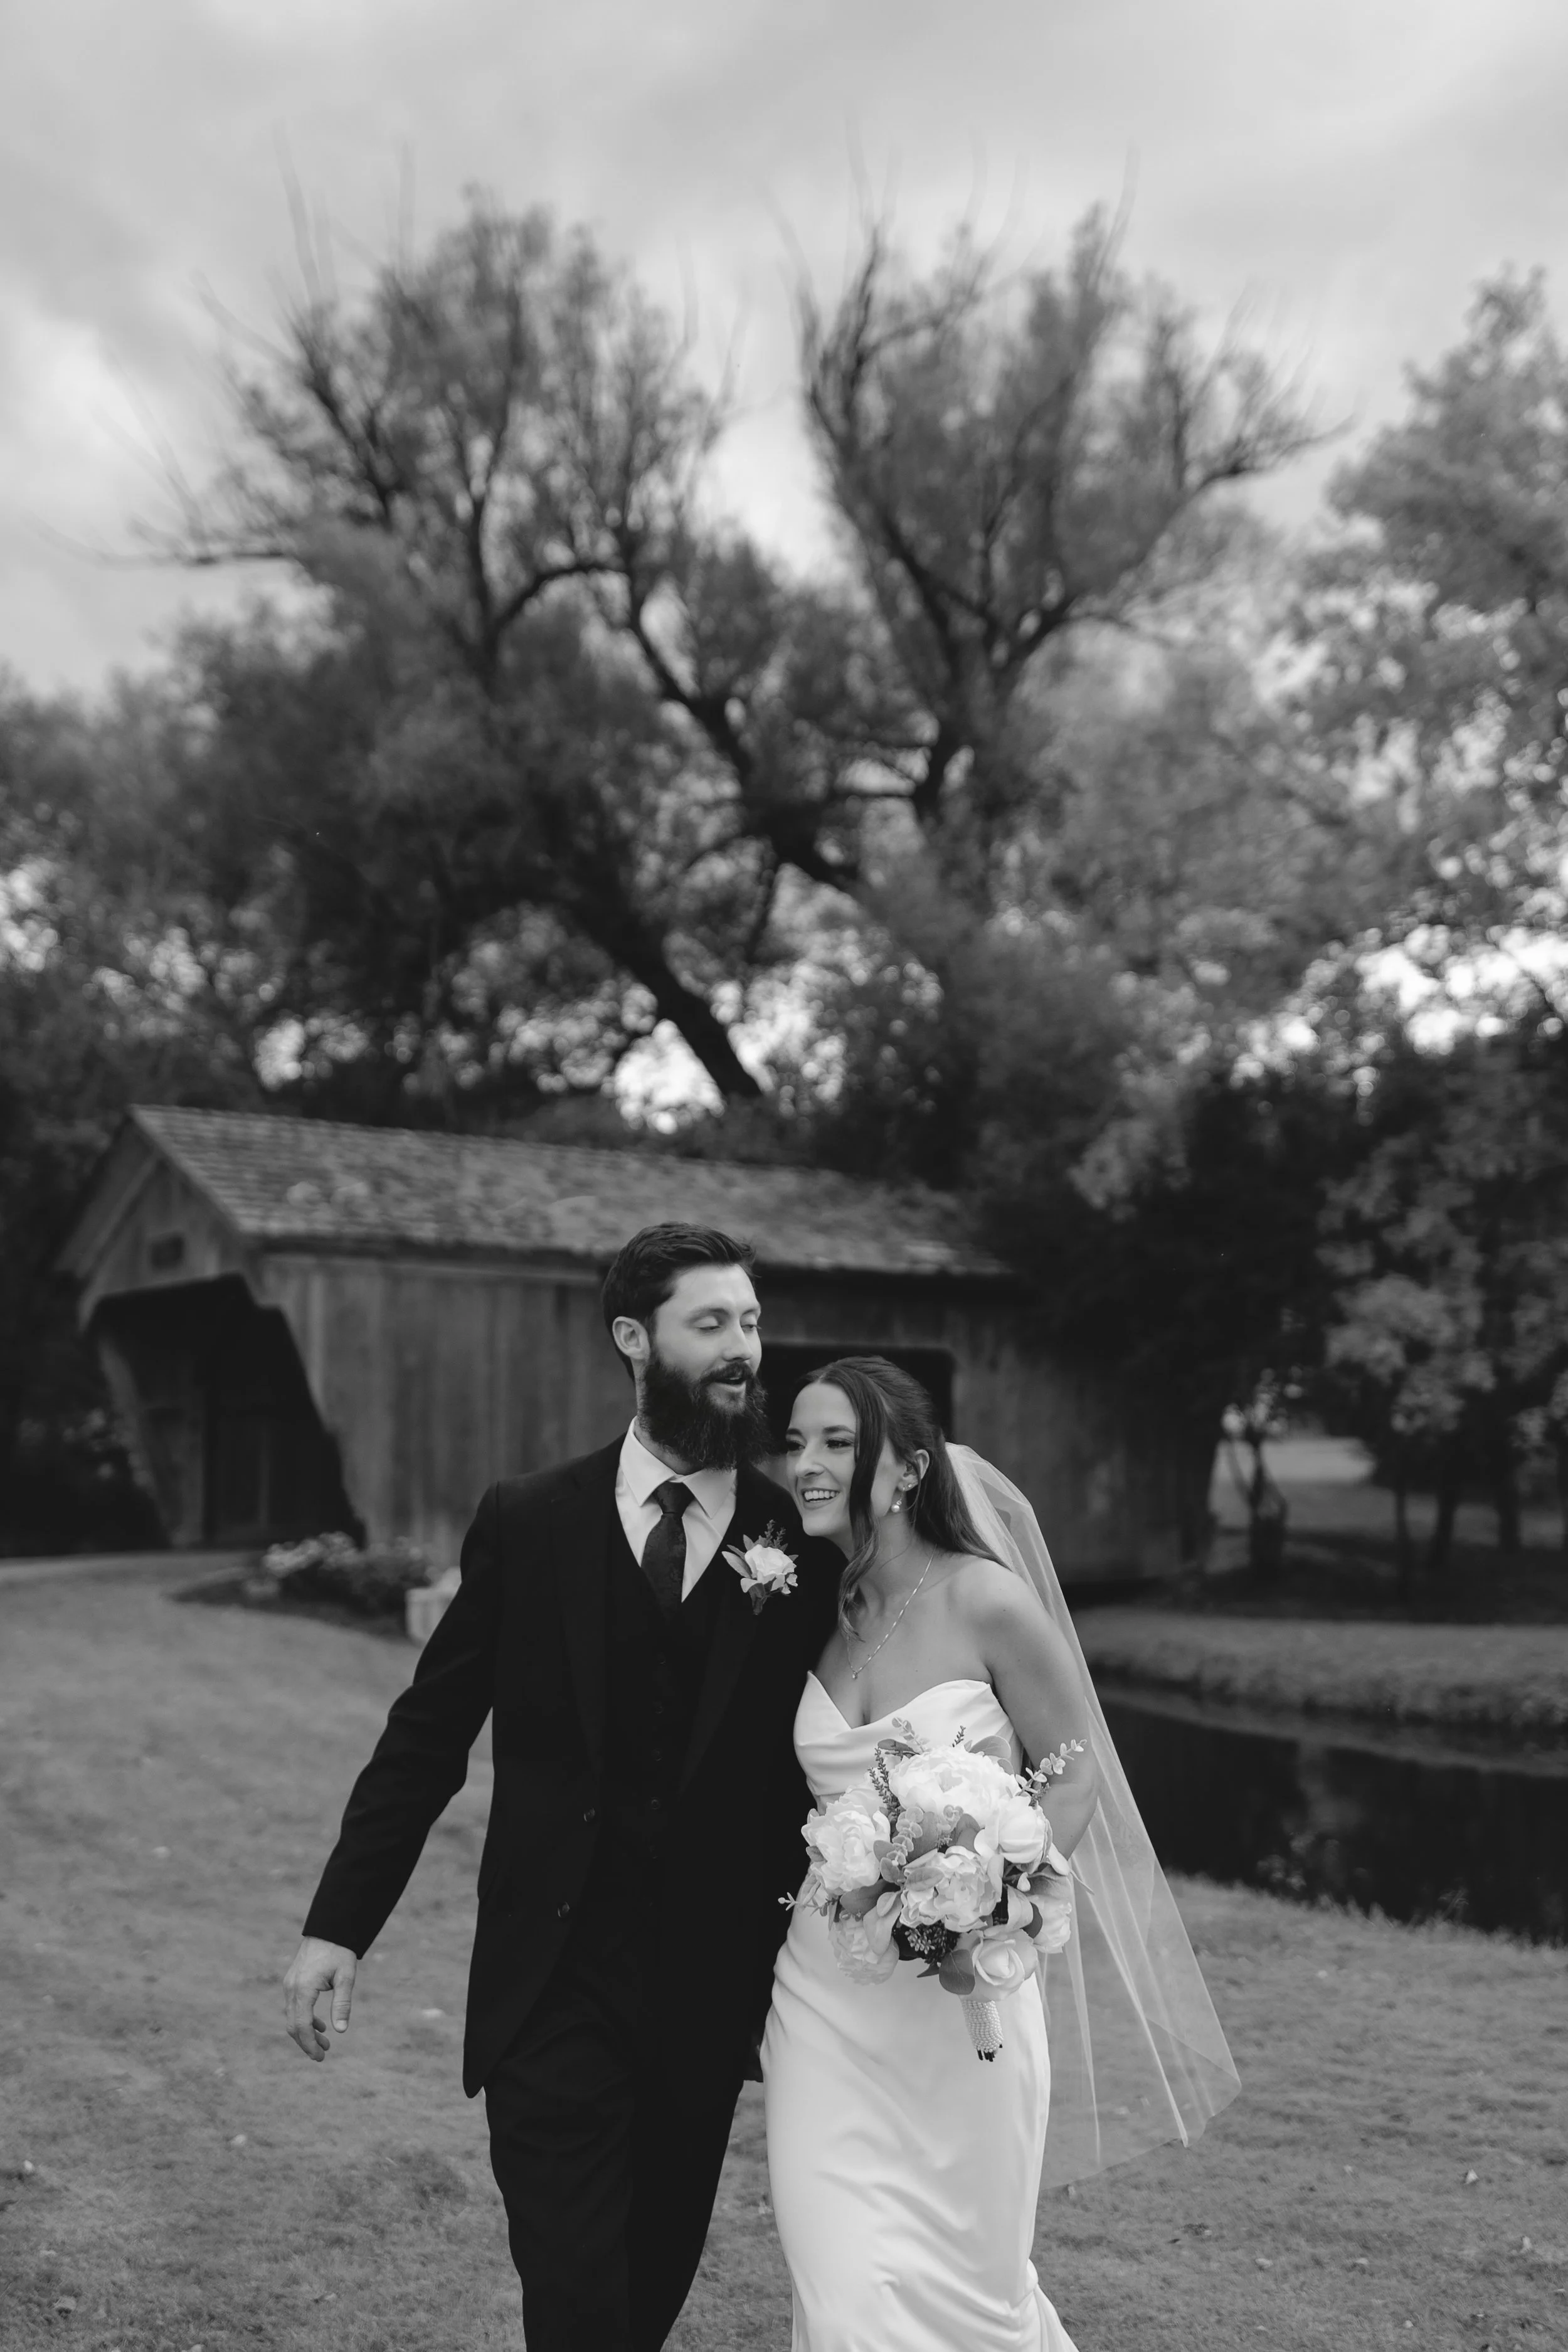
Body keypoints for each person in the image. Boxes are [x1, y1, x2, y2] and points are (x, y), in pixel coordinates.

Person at [282, 1224, 839, 2352]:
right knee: (578, 2302)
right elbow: (426, 1736)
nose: (743, 1348)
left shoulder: (803, 1543)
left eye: (750, 1322)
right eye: (711, 1323)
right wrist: (338, 1925)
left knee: (642, 2296)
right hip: (549, 1986)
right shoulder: (528, 1519)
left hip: (706, 1995)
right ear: (634, 1338)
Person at [764, 1356, 1241, 2351]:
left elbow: (1074, 1773)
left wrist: (990, 1897)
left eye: (837, 1442)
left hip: (966, 2002)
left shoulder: (987, 1600)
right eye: (797, 1440)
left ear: (909, 1468)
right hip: (823, 1999)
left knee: (975, 2298)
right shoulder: (817, 1609)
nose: (805, 1463)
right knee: (844, 2296)